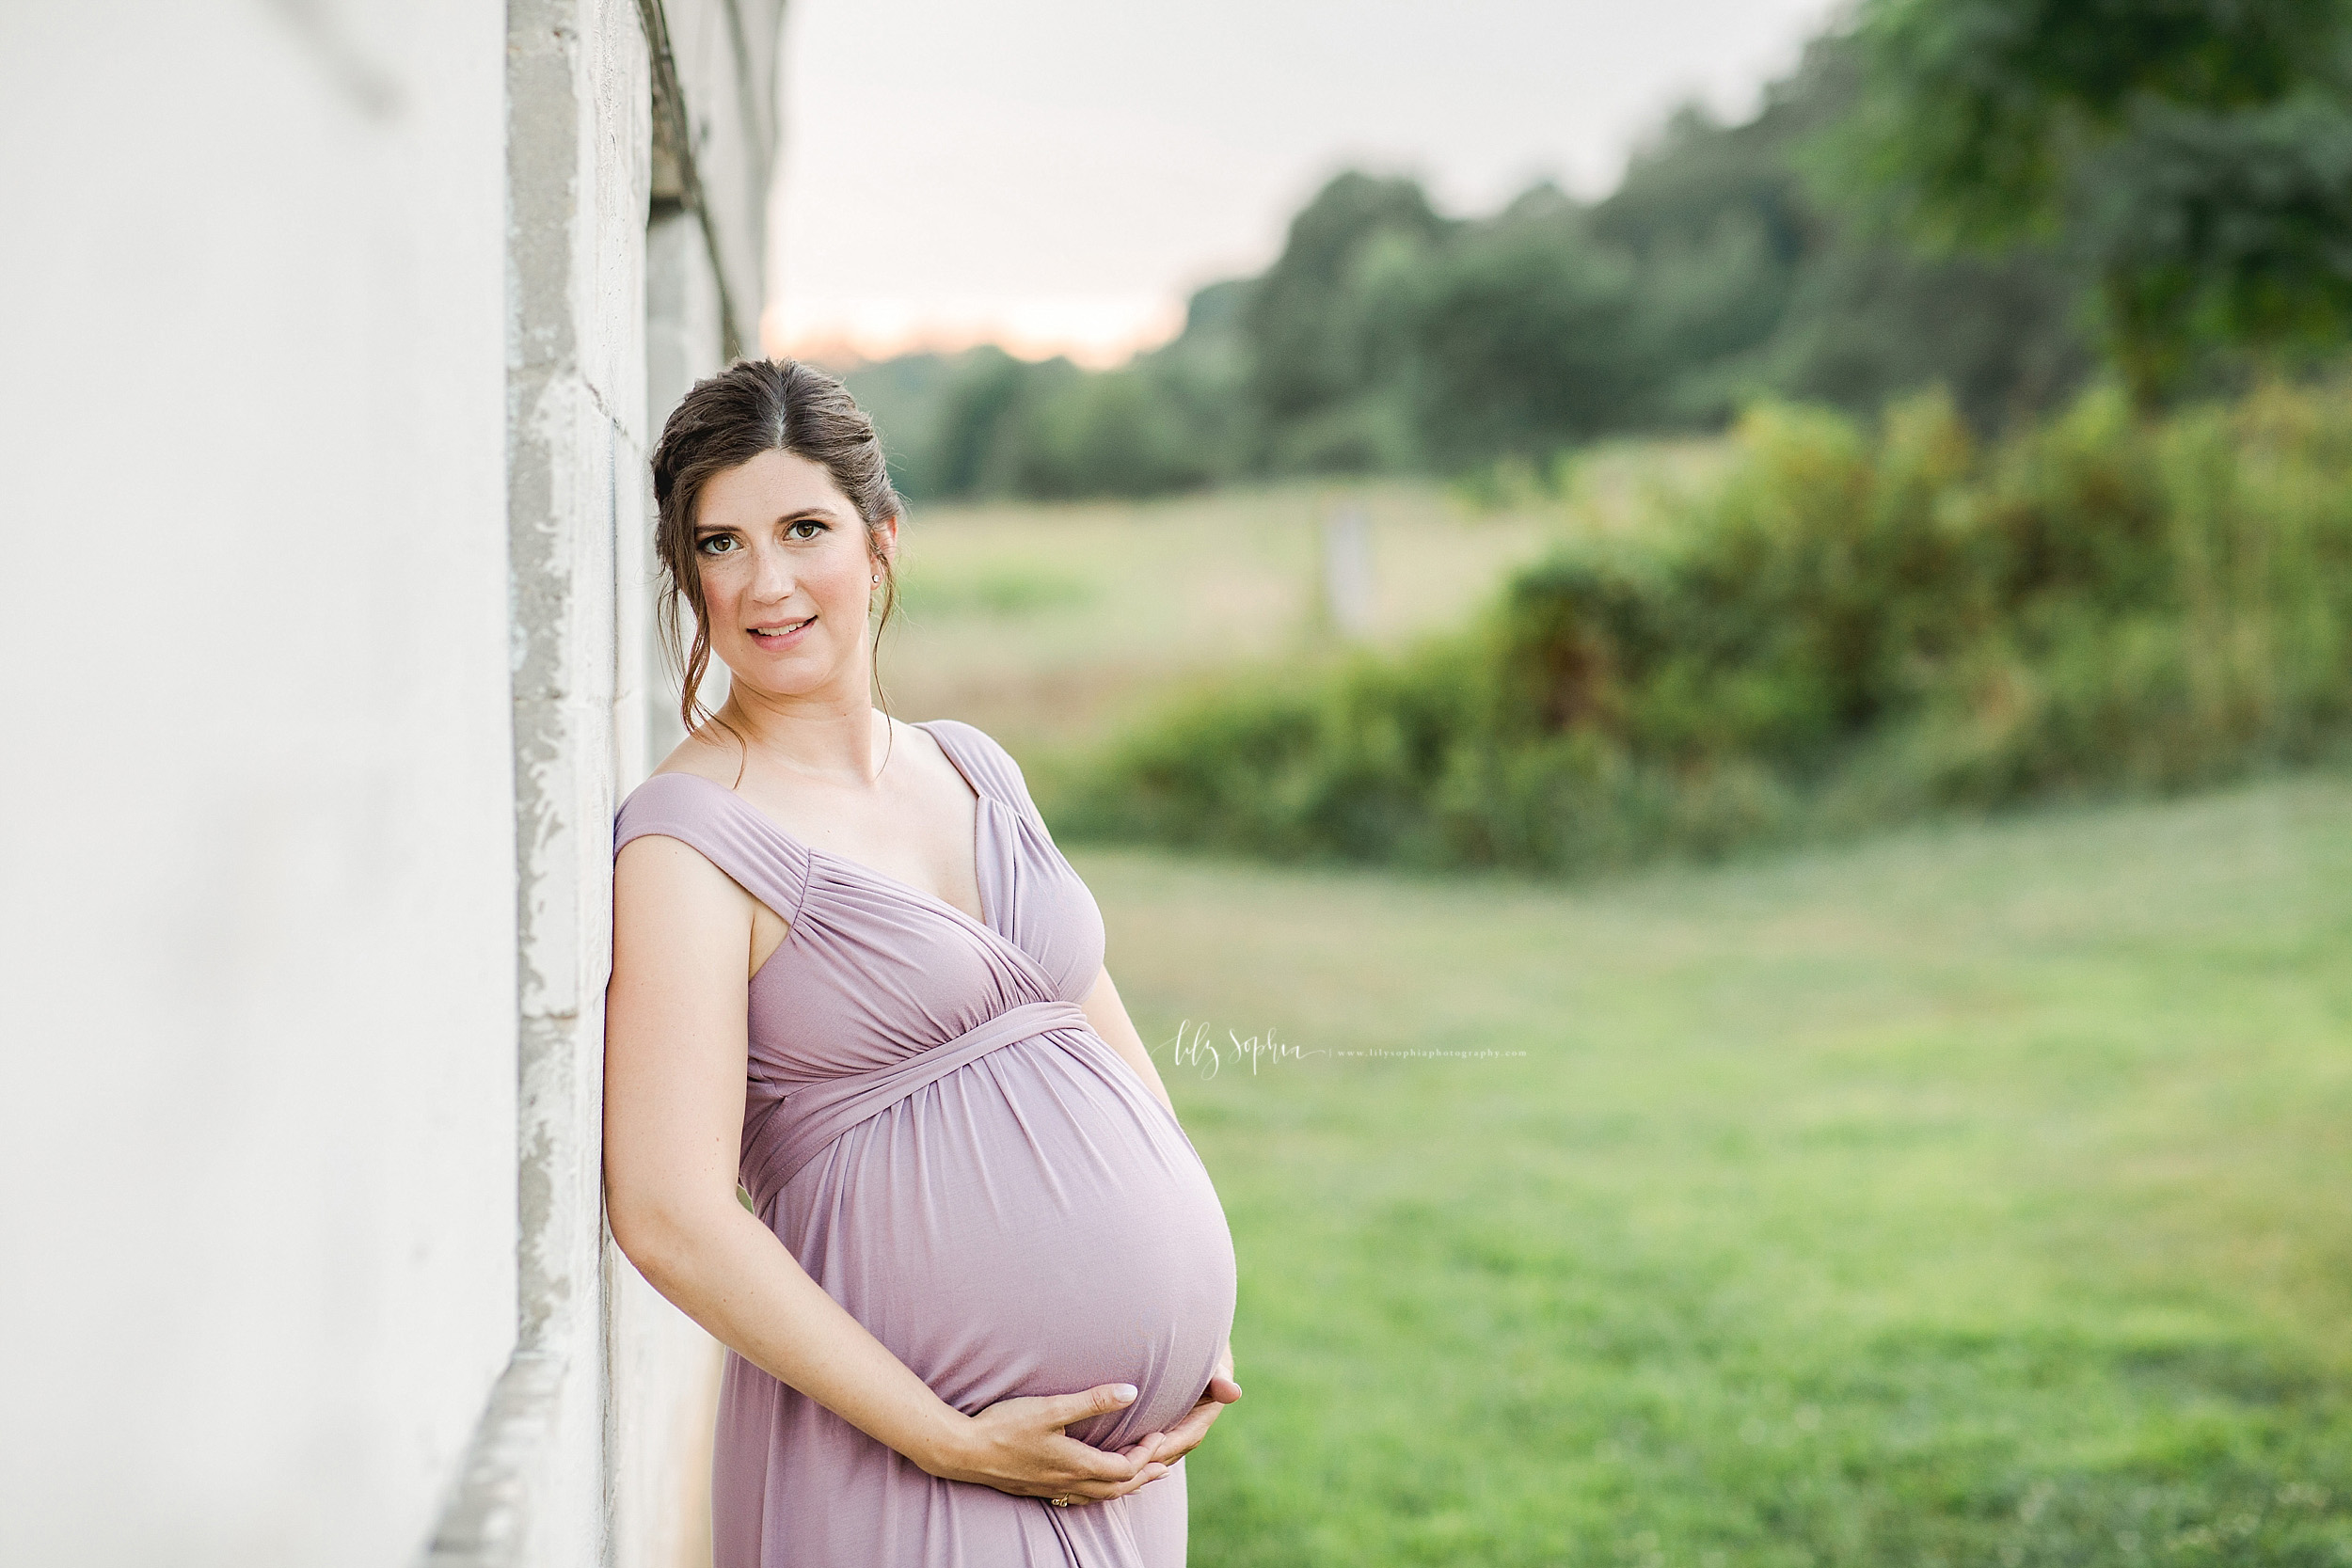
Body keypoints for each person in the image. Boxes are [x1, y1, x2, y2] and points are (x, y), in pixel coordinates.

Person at [602, 358, 1242, 1567]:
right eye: (721, 543)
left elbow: (1091, 1027)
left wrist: (1197, 1300)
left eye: (803, 529)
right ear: (686, 572)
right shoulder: (687, 840)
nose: (767, 582)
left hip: (1122, 1466)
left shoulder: (972, 765)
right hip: (898, 1462)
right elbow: (670, 1211)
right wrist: (946, 1438)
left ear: (881, 539)